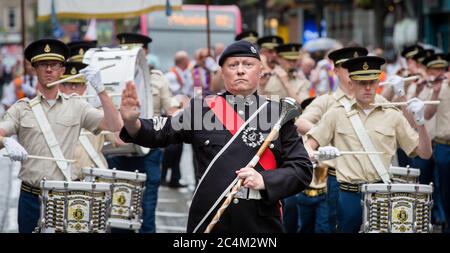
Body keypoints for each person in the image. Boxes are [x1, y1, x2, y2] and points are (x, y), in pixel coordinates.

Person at [119, 40, 313, 233]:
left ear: (260, 71)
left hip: (260, 225)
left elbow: (301, 169)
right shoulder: (201, 110)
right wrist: (131, 122)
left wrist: (265, 180)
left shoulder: (279, 114)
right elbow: (161, 132)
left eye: (248, 64)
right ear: (223, 72)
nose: (240, 70)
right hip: (211, 221)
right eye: (232, 65)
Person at [0, 39, 122, 233]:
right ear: (34, 69)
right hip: (30, 197)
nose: (49, 69)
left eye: (54, 65)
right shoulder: (21, 108)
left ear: (62, 70)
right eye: (43, 64)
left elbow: (115, 125)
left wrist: (101, 90)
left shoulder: (77, 105)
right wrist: (5, 140)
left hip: (65, 196)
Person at [305, 55, 432, 233]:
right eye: (361, 82)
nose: (367, 87)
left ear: (379, 82)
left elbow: (424, 153)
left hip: (381, 192)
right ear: (351, 84)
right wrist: (317, 154)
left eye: (372, 82)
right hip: (348, 194)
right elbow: (308, 146)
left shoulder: (392, 114)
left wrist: (420, 122)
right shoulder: (336, 114)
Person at [106, 32, 180, 233]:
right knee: (117, 212)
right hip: (118, 151)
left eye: (135, 51)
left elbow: (170, 104)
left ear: (144, 53)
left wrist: (177, 112)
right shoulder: (109, 76)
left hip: (148, 151)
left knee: (147, 212)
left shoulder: (156, 78)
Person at [296, 46, 369, 232]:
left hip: (371, 176)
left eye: (358, 66)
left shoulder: (374, 100)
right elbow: (301, 122)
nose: (354, 71)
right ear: (335, 71)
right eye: (348, 67)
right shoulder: (326, 101)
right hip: (340, 179)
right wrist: (326, 134)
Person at [58, 61, 109, 172]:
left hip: (94, 176)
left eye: (78, 84)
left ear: (84, 87)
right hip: (64, 178)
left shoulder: (96, 112)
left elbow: (120, 141)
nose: (73, 88)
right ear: (60, 86)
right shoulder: (52, 113)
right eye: (69, 83)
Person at [423, 53, 450, 233]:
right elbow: (427, 114)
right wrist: (435, 90)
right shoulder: (441, 86)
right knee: (446, 191)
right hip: (444, 145)